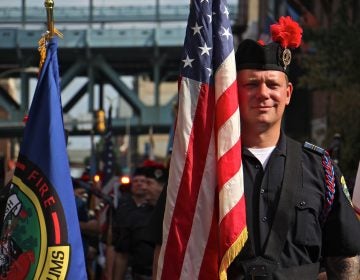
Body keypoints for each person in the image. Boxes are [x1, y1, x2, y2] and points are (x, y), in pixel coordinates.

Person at [151, 16, 360, 279]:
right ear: (232, 93)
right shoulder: (200, 168)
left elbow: (344, 255)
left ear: (288, 93)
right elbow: (169, 249)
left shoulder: (320, 169)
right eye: (251, 85)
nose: (263, 93)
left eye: (273, 84)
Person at [112, 161, 168, 280]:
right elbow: (122, 255)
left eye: (149, 183)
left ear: (161, 186)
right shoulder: (134, 216)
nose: (144, 187)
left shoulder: (172, 217)